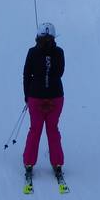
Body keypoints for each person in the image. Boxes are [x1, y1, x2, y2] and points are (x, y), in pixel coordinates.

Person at [23, 22, 65, 180]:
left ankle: (29, 162)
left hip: (36, 98)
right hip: (56, 97)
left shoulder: (32, 52)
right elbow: (59, 73)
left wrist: (26, 96)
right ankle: (57, 163)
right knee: (52, 129)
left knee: (35, 130)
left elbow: (27, 75)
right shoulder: (59, 52)